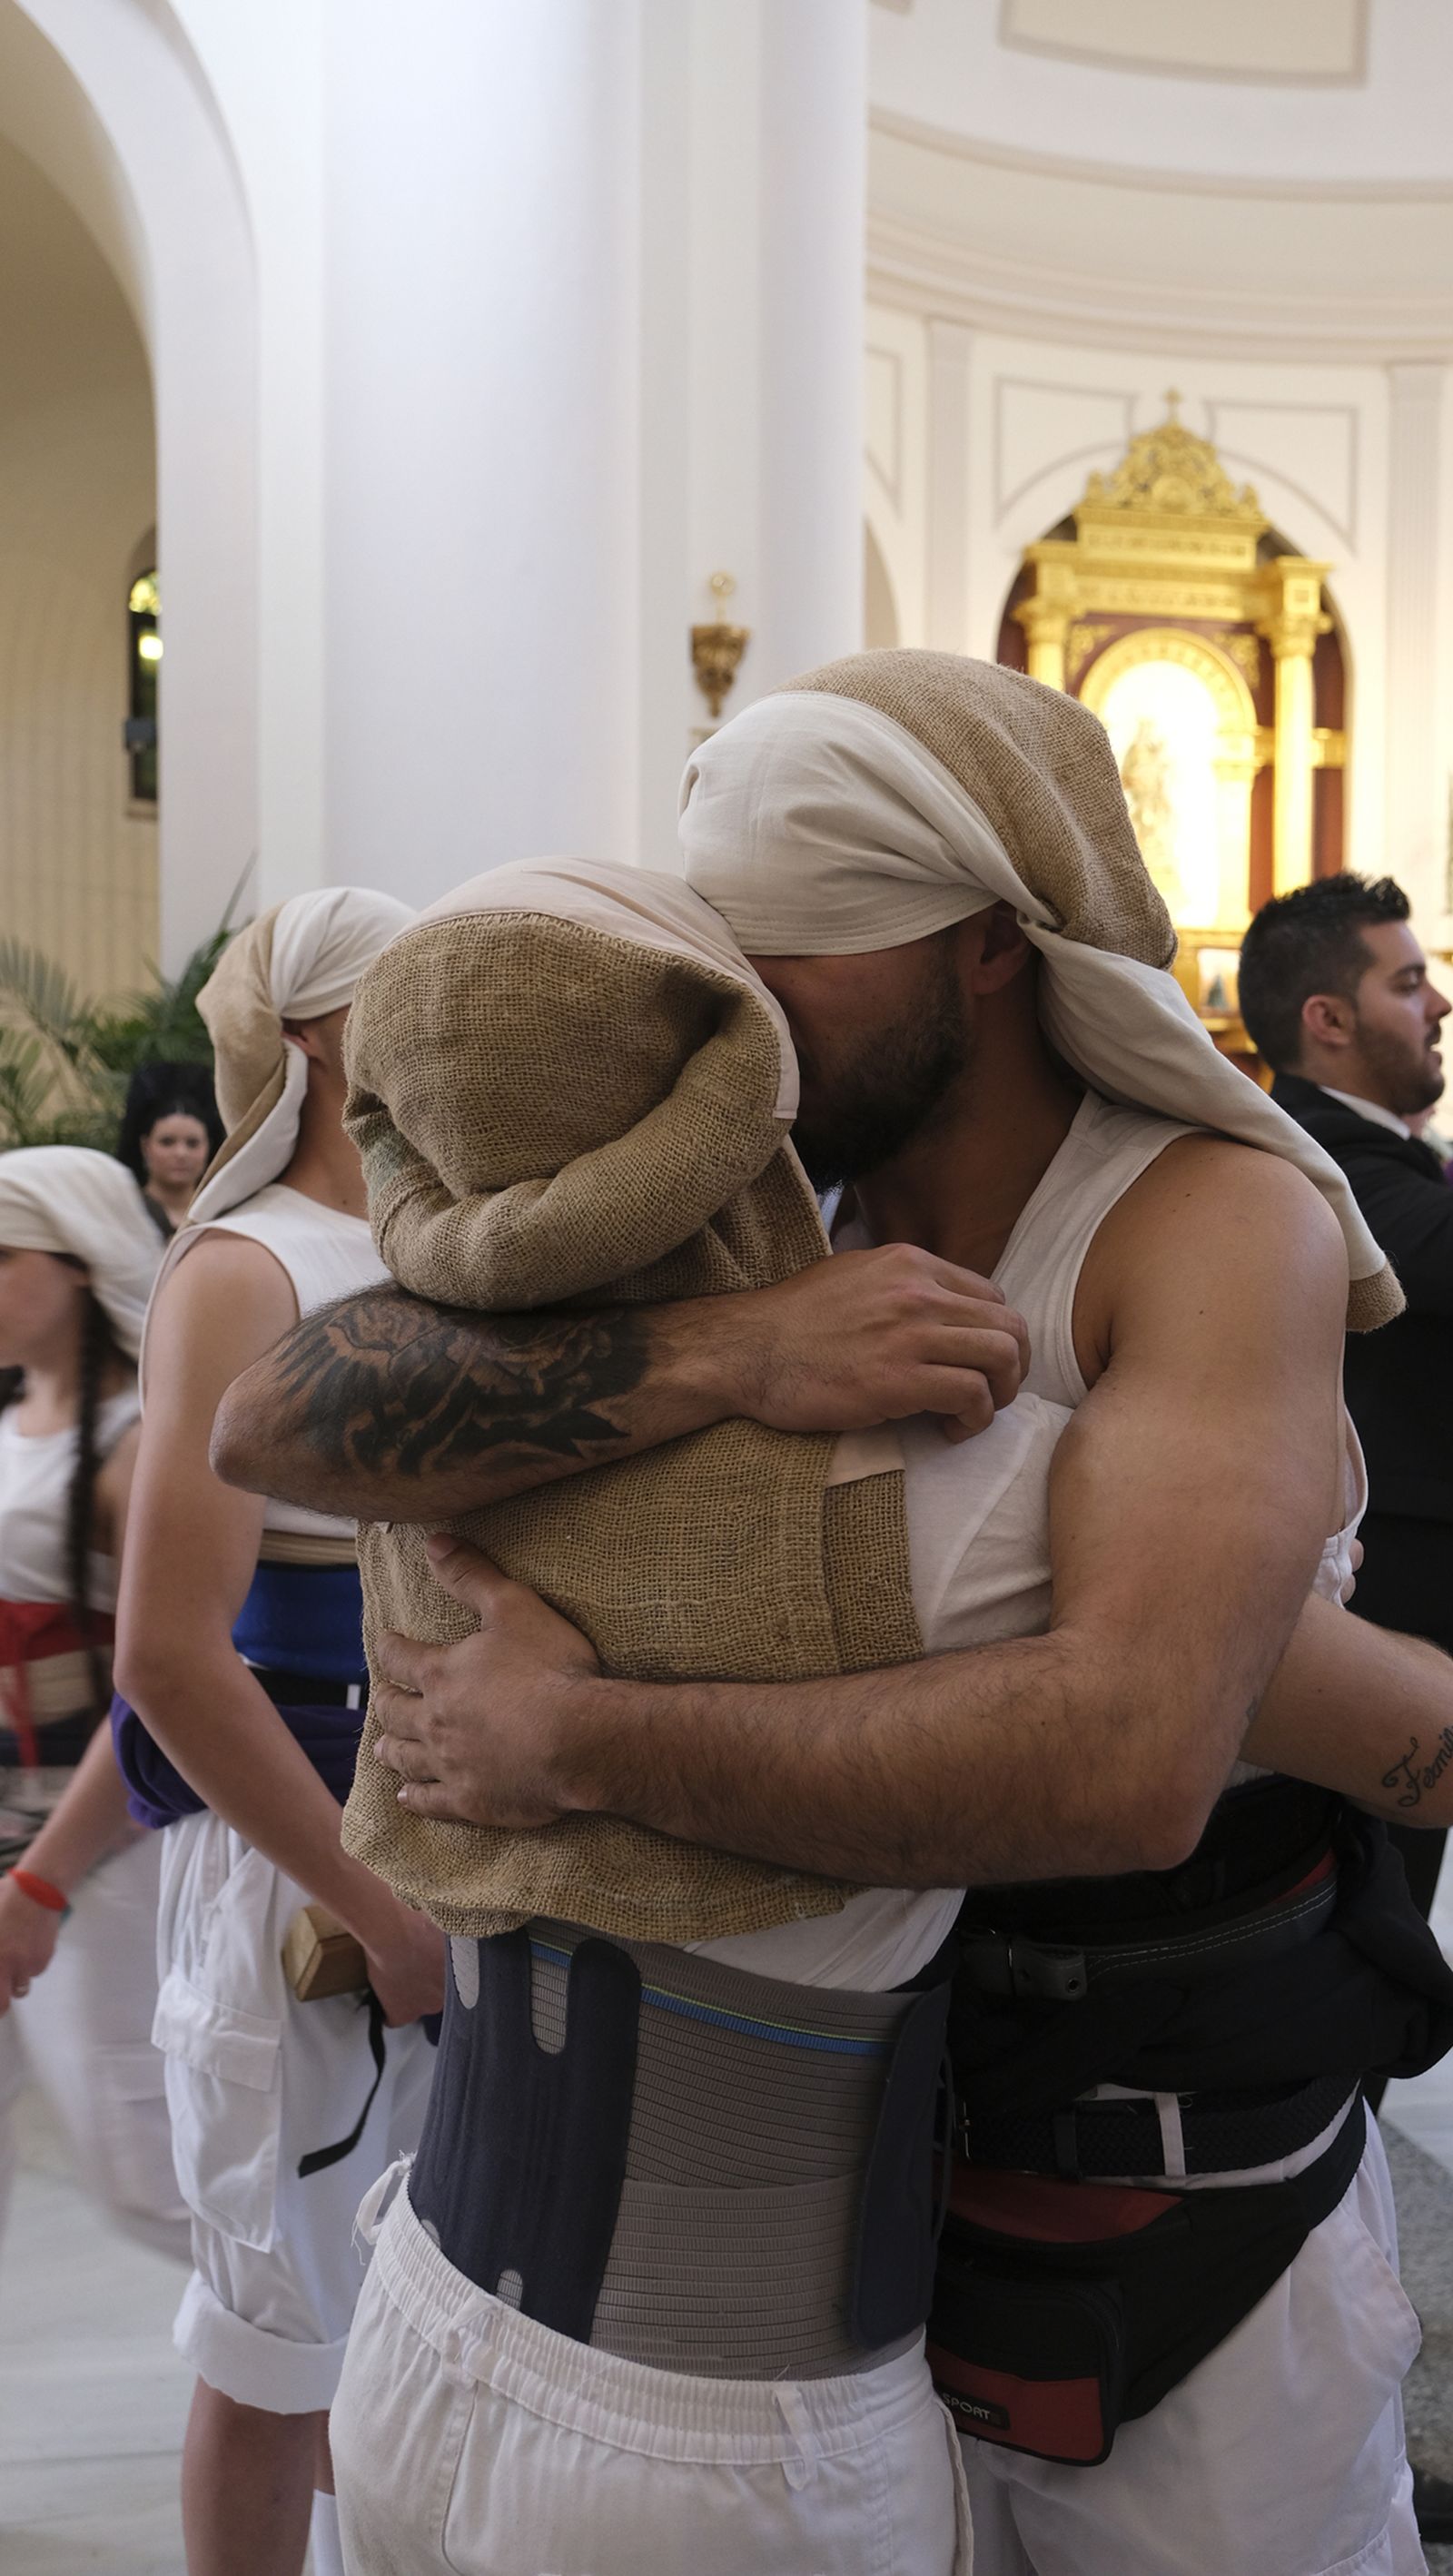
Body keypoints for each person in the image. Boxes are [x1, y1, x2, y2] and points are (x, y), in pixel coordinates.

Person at [219, 657, 1453, 2576]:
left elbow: (1124, 1763)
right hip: (801, 2270)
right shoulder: (757, 1198)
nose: (748, 996)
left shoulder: (1204, 1221)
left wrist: (582, 1737)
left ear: (979, 945)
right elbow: (284, 1409)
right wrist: (723, 1345)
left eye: (804, 944)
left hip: (1163, 2218)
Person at [110, 890, 443, 2576]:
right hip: (299, 1884)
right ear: (316, 1039)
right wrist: (377, 1908)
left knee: (427, 2344)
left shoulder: (466, 1244)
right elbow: (170, 1658)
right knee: (278, 2334)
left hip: (461, 1875)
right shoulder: (241, 1272)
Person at [0, 1148, 186, 2259]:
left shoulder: (132, 1453)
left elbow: (163, 1686)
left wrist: (42, 1880)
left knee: (150, 2181)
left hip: (97, 1864)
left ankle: (314, 2384)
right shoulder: (19, 1423)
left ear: (74, 1266)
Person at [116, 1061, 223, 1239]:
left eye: (192, 1143)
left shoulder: (223, 1219)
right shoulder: (122, 1216)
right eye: (167, 1142)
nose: (181, 1153)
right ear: (145, 1146)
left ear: (209, 1146)